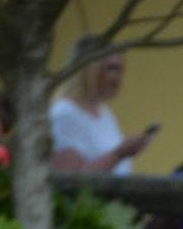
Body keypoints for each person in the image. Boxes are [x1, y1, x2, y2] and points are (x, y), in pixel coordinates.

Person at [50, 37, 155, 176]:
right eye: (111, 69)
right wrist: (119, 153)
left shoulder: (105, 113)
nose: (118, 78)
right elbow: (70, 180)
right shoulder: (66, 115)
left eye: (121, 70)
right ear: (89, 70)